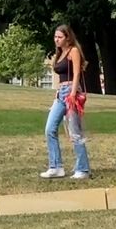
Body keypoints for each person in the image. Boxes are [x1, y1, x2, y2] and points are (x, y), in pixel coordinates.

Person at [39, 24, 90, 180]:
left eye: (60, 37)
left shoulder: (73, 51)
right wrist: (57, 93)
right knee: (50, 128)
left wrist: (73, 94)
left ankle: (83, 169)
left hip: (71, 92)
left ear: (68, 38)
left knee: (74, 132)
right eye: (55, 37)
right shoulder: (59, 53)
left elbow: (76, 74)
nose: (56, 40)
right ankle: (56, 167)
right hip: (60, 94)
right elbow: (60, 76)